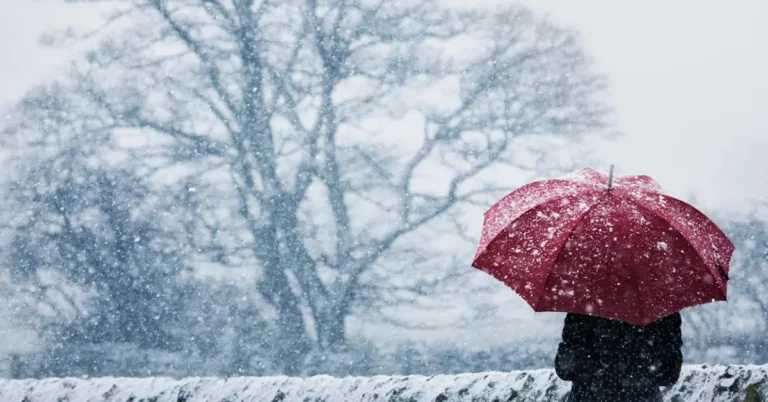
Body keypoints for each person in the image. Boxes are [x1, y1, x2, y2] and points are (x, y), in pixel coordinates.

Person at [555, 312, 683, 402]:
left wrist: (597, 364)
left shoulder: (584, 305)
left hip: (588, 396)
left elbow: (565, 369)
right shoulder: (658, 307)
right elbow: (669, 374)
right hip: (643, 397)